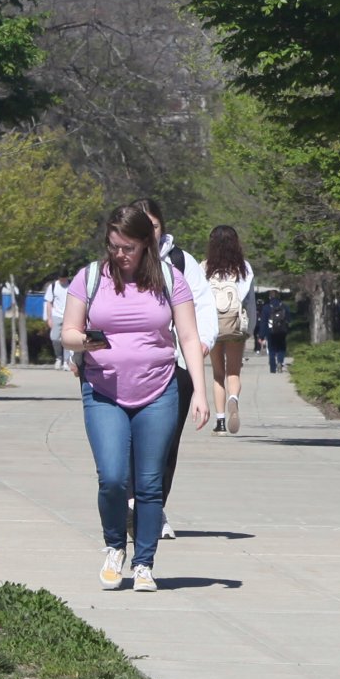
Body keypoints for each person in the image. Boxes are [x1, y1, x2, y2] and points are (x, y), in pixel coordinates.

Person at [61, 203, 210, 592]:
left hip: (158, 390)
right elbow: (68, 332)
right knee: (111, 477)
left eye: (128, 247)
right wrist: (84, 341)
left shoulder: (170, 279)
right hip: (103, 391)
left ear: (146, 244)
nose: (120, 255)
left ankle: (144, 563)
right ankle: (114, 546)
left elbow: (190, 337)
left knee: (149, 484)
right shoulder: (90, 277)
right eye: (114, 246)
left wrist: (200, 391)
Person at [134, 198, 207, 540]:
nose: (149, 234)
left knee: (165, 442)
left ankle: (153, 508)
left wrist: (202, 342)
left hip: (175, 365)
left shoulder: (181, 262)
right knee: (128, 441)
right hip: (130, 368)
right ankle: (132, 503)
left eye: (155, 226)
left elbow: (202, 305)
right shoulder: (120, 261)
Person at [199, 226, 256, 435]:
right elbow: (249, 302)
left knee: (217, 373)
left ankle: (220, 421)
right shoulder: (244, 269)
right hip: (235, 327)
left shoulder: (204, 268)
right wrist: (250, 328)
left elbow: (198, 301)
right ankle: (234, 399)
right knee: (233, 371)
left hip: (213, 327)